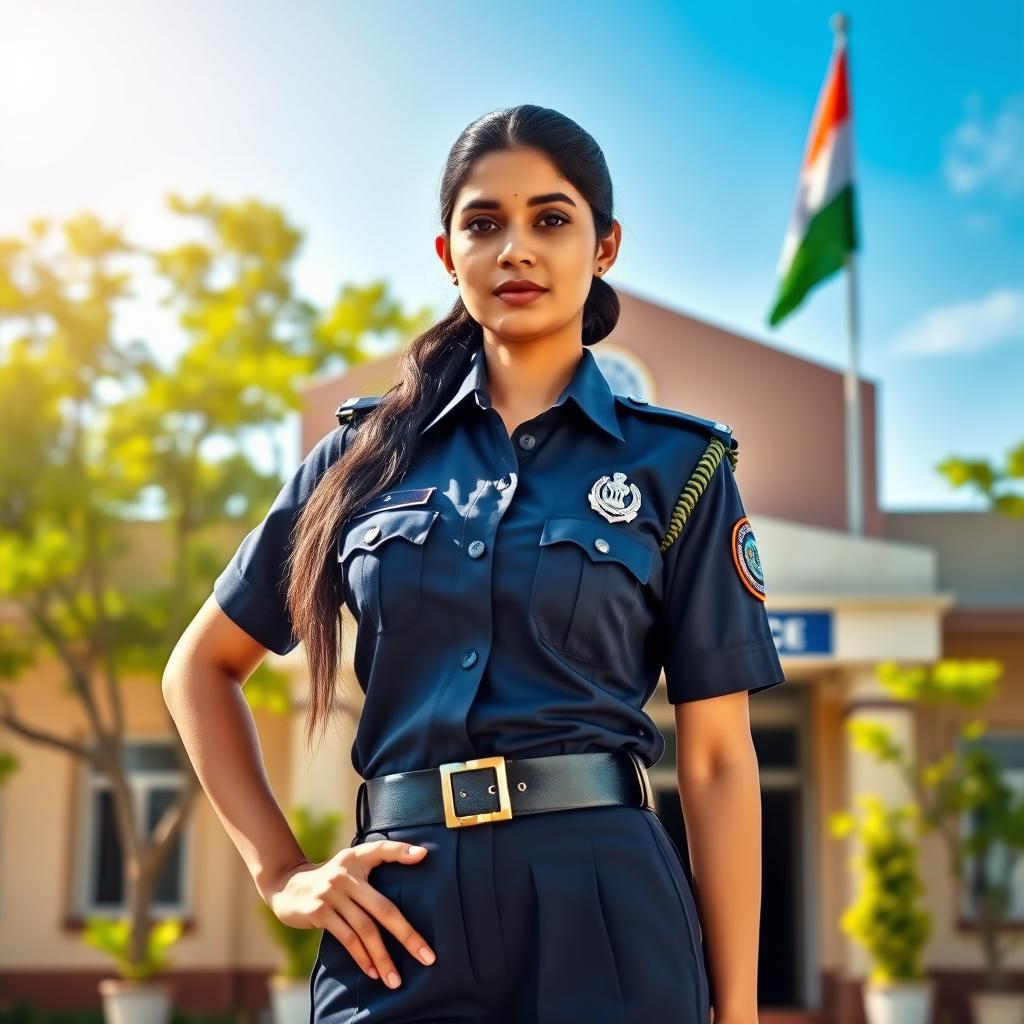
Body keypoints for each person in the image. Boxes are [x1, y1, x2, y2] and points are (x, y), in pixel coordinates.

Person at [162, 104, 787, 1024]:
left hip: (606, 905)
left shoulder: (679, 468)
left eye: (551, 219)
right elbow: (201, 669)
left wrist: (734, 1014)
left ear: (604, 246)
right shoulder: (359, 460)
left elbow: (722, 763)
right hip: (399, 912)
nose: (516, 249)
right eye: (484, 223)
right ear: (448, 253)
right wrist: (283, 871)